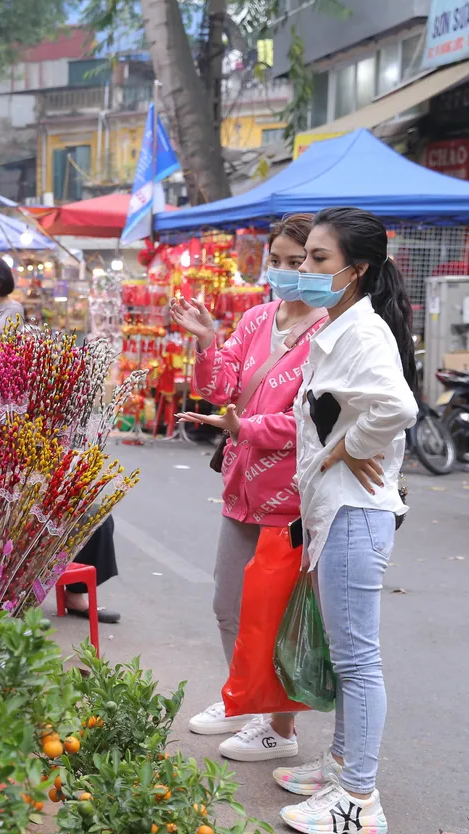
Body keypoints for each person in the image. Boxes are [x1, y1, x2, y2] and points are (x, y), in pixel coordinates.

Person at [274, 207, 417, 834]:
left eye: (317, 259)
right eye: (305, 259)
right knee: (345, 651)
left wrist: (350, 446)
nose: (304, 269)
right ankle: (339, 766)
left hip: (355, 513)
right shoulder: (340, 324)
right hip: (337, 511)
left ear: (355, 270)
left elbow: (397, 406)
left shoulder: (363, 333)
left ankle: (359, 797)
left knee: (357, 660)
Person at [170, 214, 327, 762]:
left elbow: (313, 423)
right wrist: (209, 339)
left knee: (276, 613)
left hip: (290, 498)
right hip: (241, 486)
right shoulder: (258, 317)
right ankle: (242, 698)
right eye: (277, 261)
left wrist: (248, 429)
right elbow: (219, 387)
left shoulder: (332, 330)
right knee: (227, 605)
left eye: (297, 261)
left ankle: (277, 727)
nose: (286, 272)